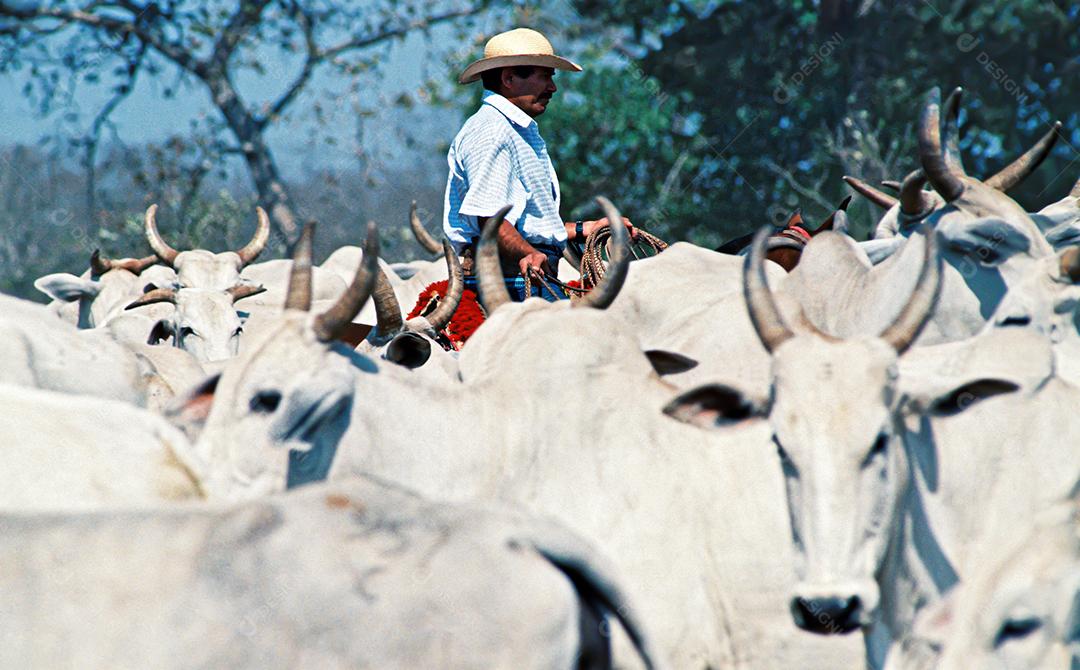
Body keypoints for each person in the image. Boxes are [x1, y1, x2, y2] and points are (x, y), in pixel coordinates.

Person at [443, 27, 635, 301]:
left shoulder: (514, 130)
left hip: (524, 276)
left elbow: (526, 224)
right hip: (512, 282)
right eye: (544, 76)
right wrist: (529, 253)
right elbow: (492, 221)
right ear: (509, 78)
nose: (552, 87)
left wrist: (585, 229)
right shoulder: (491, 131)